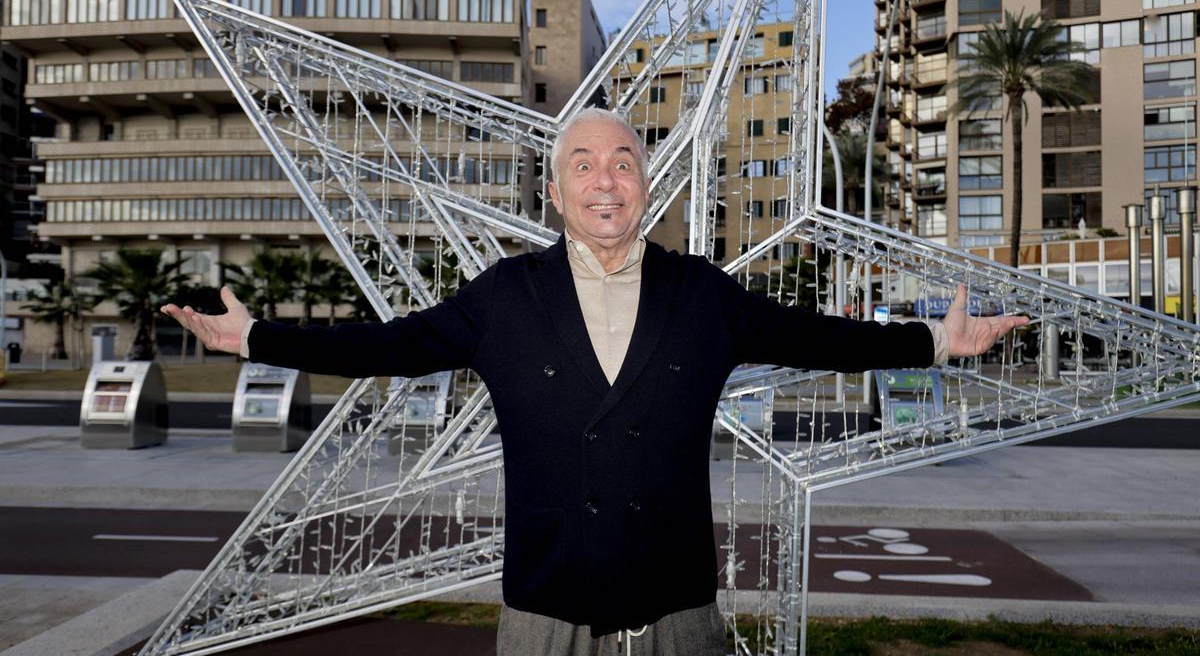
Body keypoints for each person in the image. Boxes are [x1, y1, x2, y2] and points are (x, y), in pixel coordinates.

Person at [162, 108, 1028, 655]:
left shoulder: (701, 295)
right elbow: (392, 344)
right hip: (544, 614)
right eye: (583, 164)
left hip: (682, 613)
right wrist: (258, 339)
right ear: (554, 190)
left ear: (645, 184)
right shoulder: (507, 296)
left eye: (622, 161)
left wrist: (932, 341)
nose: (604, 179)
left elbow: (821, 339)